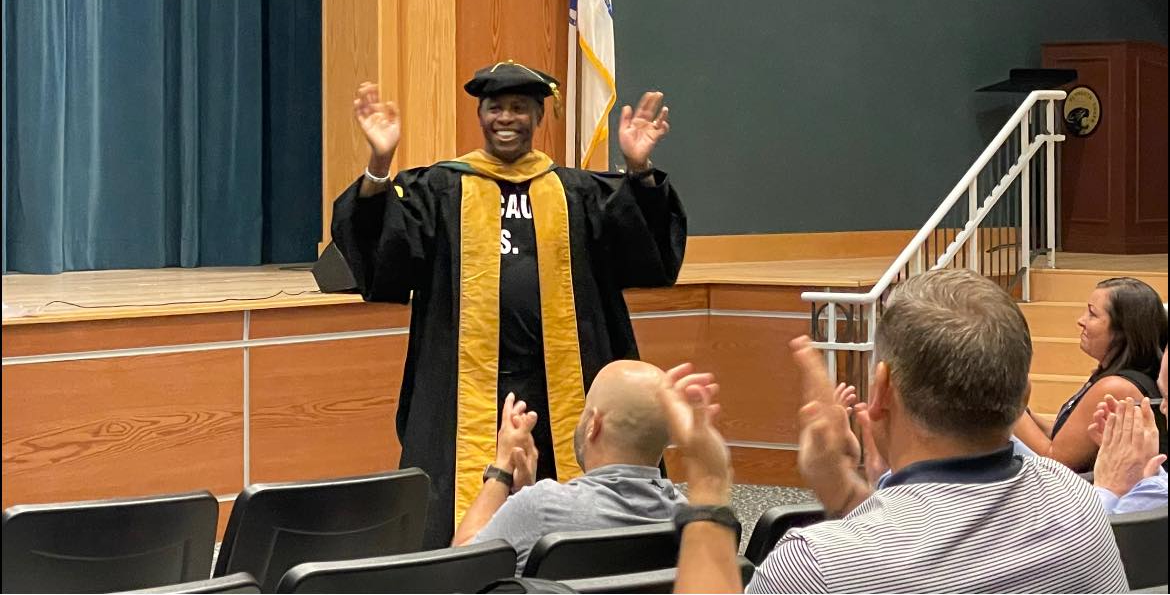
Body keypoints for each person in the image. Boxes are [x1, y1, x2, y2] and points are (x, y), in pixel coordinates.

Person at [330, 61, 686, 546]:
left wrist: (639, 170)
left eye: (519, 108)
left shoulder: (576, 193)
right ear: (480, 115)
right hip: (465, 385)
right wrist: (378, 166)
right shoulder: (442, 189)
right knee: (456, 506)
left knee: (570, 516)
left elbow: (647, 254)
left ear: (539, 117)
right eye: (495, 107)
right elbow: (381, 250)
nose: (506, 117)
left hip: (564, 384)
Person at [661, 269, 1129, 594]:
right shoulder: (1079, 505)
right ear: (1023, 396)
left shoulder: (817, 566)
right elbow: (942, 546)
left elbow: (903, 554)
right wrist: (842, 490)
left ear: (881, 389)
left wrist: (707, 484)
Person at [451, 360, 685, 573]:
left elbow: (460, 569)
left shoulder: (540, 508)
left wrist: (501, 471)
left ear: (594, 425)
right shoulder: (689, 518)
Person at [1014, 277, 1167, 472]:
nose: (1081, 321)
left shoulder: (1116, 388)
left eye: (1092, 314)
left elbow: (1055, 460)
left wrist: (1004, 406)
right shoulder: (1117, 375)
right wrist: (1023, 410)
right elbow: (1063, 435)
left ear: (1122, 331)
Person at [1090, 348, 1168, 513]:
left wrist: (1108, 487)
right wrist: (1143, 466)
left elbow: (1087, 534)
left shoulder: (1158, 494)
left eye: (1167, 397)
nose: (1162, 407)